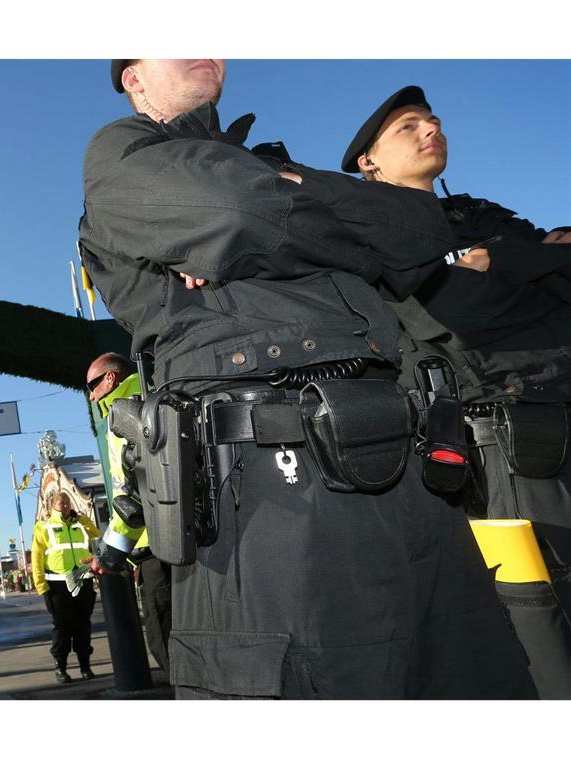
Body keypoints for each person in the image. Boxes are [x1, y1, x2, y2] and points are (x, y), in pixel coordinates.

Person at [77, 59, 535, 698]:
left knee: (473, 679)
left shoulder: (263, 162)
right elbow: (237, 210)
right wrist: (336, 225)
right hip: (273, 492)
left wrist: (278, 199)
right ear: (134, 78)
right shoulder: (120, 153)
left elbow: (418, 230)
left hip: (406, 469)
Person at [342, 85, 571, 587]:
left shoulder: (478, 214)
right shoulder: (372, 236)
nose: (433, 129)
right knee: (540, 612)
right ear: (370, 162)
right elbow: (460, 315)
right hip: (507, 449)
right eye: (409, 127)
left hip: (559, 410)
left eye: (434, 120)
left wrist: (503, 260)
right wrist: (537, 272)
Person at [86, 351, 172, 679]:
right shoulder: (155, 394)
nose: (91, 394)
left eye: (92, 385)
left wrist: (109, 556)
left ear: (110, 379)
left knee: (164, 638)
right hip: (179, 535)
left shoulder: (122, 415)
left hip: (154, 548)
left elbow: (130, 495)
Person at [31, 492, 100, 683]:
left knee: (83, 625)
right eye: (61, 503)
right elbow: (36, 558)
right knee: (63, 628)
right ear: (53, 505)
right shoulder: (44, 527)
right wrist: (41, 586)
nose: (66, 505)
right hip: (57, 585)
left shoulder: (80, 524)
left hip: (82, 581)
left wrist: (83, 518)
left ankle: (85, 666)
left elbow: (96, 534)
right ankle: (60, 668)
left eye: (68, 502)